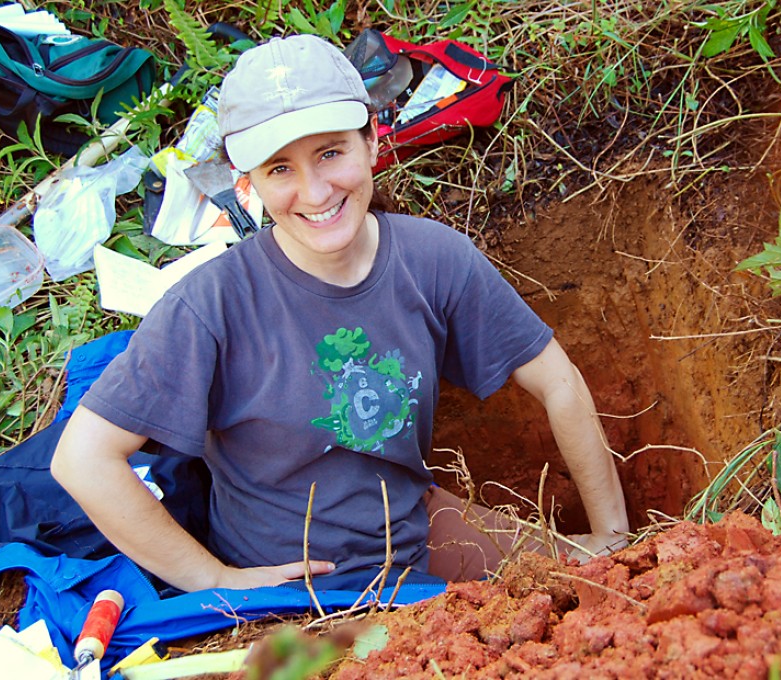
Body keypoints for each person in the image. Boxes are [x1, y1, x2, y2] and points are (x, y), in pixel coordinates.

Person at [51, 34, 629, 593]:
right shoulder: (211, 307)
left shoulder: (431, 258)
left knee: (592, 583)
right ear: (245, 181)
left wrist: (613, 535)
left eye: (330, 152)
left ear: (373, 140)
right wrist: (213, 580)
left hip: (414, 528)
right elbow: (83, 459)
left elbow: (558, 381)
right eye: (280, 169)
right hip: (295, 589)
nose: (315, 190)